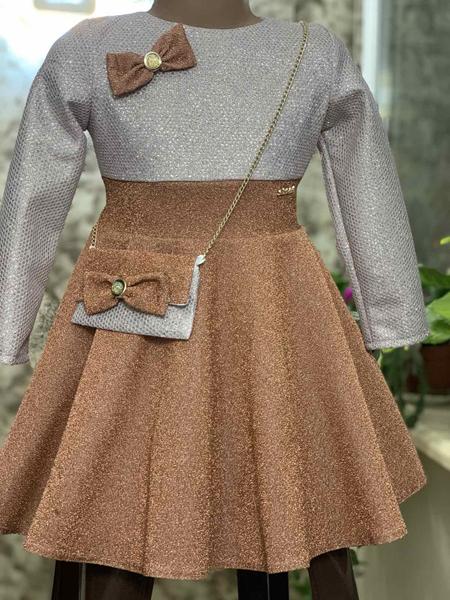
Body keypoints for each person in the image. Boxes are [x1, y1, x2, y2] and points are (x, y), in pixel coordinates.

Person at [0, 0, 428, 597]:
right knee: (107, 504)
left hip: (269, 309)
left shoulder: (313, 53)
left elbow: (366, 179)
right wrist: (9, 318)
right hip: (142, 314)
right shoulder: (84, 49)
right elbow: (32, 195)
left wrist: (391, 309)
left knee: (287, 490)